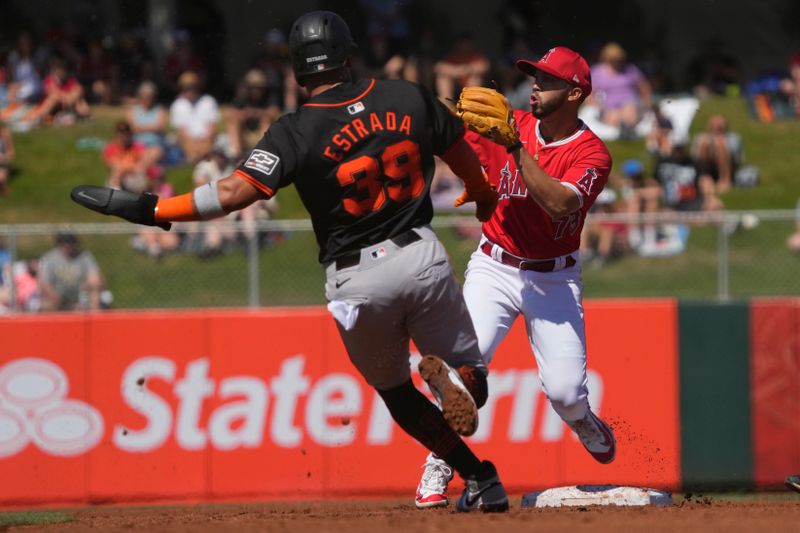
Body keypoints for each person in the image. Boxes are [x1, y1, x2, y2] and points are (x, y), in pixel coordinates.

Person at [71, 10, 508, 513]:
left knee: (396, 393)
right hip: (419, 254)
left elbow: (235, 193)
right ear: (348, 54)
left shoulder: (294, 130)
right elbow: (458, 149)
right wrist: (480, 193)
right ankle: (459, 386)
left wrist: (155, 209)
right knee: (475, 375)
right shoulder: (406, 95)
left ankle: (479, 475)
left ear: (298, 72)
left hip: (356, 281)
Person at [414, 47, 617, 508]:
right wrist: (409, 102)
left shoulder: (592, 154)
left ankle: (581, 416)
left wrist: (514, 148)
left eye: (546, 80)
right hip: (494, 264)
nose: (534, 87)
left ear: (575, 92)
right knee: (461, 372)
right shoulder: (510, 125)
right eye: (533, 78)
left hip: (554, 279)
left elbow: (561, 203)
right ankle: (440, 463)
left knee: (565, 392)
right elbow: (449, 120)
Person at [589, 42, 651, 137]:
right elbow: (589, 94)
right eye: (613, 59)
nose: (616, 62)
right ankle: (625, 130)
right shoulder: (597, 72)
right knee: (613, 115)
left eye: (618, 59)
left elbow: (644, 87)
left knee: (629, 110)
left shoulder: (630, 69)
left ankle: (627, 129)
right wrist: (598, 106)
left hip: (630, 102)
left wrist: (646, 101)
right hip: (608, 106)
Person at [38, 232, 104, 312]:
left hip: (80, 296)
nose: (67, 245)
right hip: (57, 297)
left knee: (94, 290)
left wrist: (90, 284)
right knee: (46, 305)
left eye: (70, 242)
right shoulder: (49, 259)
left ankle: (95, 321)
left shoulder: (84, 256)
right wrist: (54, 296)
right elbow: (44, 283)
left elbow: (94, 276)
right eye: (64, 242)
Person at [169, 71, 220, 164]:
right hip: (188, 141)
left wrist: (204, 143)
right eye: (186, 88)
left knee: (208, 146)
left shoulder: (208, 101)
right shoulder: (177, 105)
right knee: (187, 144)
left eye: (192, 87)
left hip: (206, 140)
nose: (190, 91)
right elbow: (182, 132)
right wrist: (194, 145)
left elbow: (212, 127)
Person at [226, 69, 278, 159]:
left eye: (258, 87)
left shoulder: (269, 96)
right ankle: (237, 155)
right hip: (245, 131)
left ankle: (261, 152)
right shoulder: (243, 96)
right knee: (234, 120)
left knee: (266, 120)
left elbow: (274, 112)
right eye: (253, 87)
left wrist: (254, 113)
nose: (255, 90)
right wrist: (244, 114)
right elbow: (231, 112)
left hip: (262, 130)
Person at [691, 114, 741, 194]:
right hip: (708, 164)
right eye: (716, 125)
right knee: (705, 144)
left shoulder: (733, 137)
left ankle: (724, 180)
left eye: (720, 125)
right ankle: (704, 177)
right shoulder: (701, 137)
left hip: (727, 165)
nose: (718, 127)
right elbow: (695, 156)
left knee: (720, 145)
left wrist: (719, 142)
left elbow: (735, 157)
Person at [127, 81, 167, 168]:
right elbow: (132, 128)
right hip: (137, 144)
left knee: (154, 152)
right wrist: (151, 127)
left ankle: (137, 171)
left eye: (149, 96)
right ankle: (138, 172)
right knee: (141, 153)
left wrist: (141, 128)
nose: (146, 98)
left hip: (155, 145)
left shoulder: (160, 110)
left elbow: (159, 127)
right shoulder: (133, 110)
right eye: (144, 95)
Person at [0, 123, 15, 196]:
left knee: (2, 176)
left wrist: (5, 157)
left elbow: (11, 153)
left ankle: (2, 189)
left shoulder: (5, 139)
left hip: (2, 163)